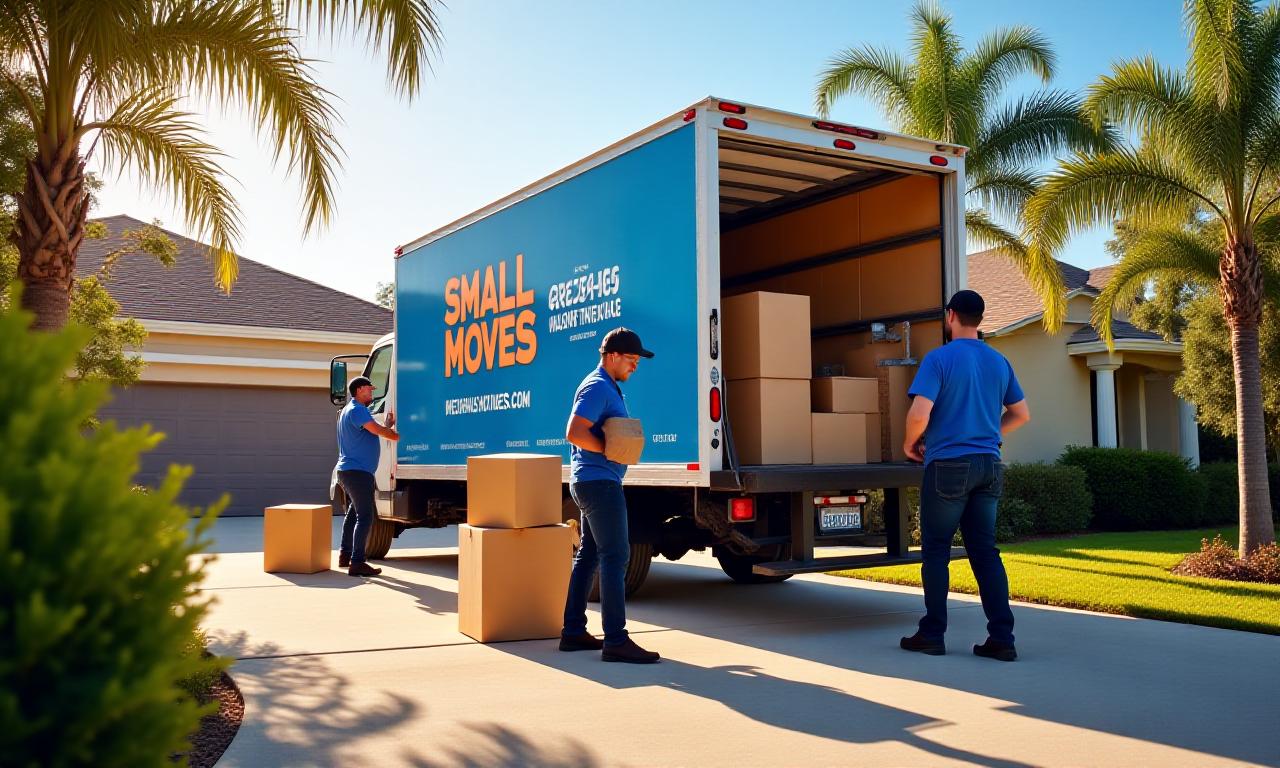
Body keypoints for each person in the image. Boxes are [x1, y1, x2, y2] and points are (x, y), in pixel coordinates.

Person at [898, 290, 1031, 661]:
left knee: (937, 551)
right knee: (985, 552)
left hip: (948, 466)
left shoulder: (938, 359)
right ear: (981, 318)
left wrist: (911, 444)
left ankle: (933, 634)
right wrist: (988, 433)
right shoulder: (999, 362)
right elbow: (1021, 414)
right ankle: (1002, 639)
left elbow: (919, 414)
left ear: (950, 315)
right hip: (989, 465)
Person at [560, 328, 661, 663]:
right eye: (631, 359)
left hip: (593, 480)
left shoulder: (607, 386)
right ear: (612, 355)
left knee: (589, 555)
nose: (635, 366)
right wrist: (610, 450)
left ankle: (573, 631)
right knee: (617, 556)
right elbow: (574, 431)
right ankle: (616, 640)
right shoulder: (597, 385)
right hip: (599, 482)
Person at [336, 375, 399, 577]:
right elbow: (377, 430)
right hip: (357, 472)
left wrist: (386, 427)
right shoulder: (357, 410)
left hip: (350, 471)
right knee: (365, 516)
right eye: (370, 389)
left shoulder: (349, 410)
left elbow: (374, 429)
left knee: (354, 513)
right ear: (360, 389)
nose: (372, 392)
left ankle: (345, 555)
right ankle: (357, 562)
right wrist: (396, 435)